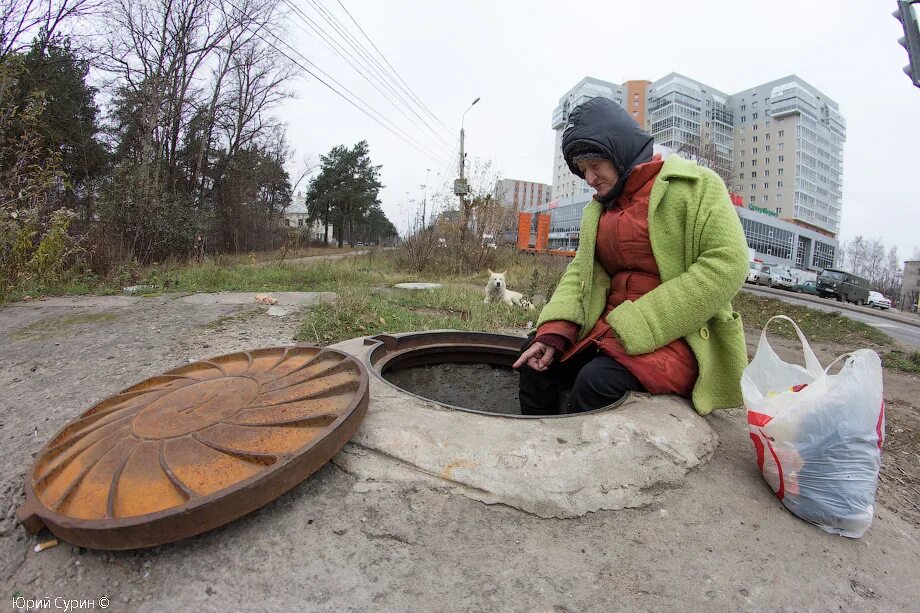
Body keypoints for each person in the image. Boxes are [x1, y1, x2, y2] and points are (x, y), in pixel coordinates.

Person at [512, 97, 749, 417]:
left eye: (595, 166)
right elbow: (581, 273)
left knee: (596, 382)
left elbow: (728, 263)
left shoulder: (697, 186)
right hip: (610, 332)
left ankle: (578, 464)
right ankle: (540, 450)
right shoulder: (598, 210)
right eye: (583, 171)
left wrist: (639, 324)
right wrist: (554, 331)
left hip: (676, 336)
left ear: (620, 152)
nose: (590, 179)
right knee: (536, 359)